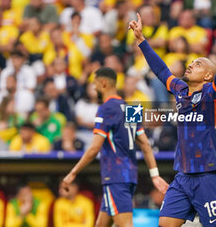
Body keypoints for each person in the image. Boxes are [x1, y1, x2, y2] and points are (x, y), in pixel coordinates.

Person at [129, 10, 216, 226]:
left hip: (209, 174)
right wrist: (141, 40)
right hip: (183, 174)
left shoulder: (213, 93)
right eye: (192, 61)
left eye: (198, 64)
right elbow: (161, 71)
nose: (191, 64)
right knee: (165, 223)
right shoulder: (180, 90)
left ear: (207, 76)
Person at [62, 67, 169, 227]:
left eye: (95, 83)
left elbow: (93, 149)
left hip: (115, 176)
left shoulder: (105, 109)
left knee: (125, 225)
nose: (93, 88)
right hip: (129, 176)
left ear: (103, 83)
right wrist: (154, 175)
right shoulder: (132, 108)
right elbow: (146, 144)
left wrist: (72, 173)